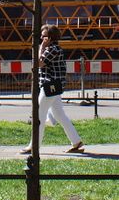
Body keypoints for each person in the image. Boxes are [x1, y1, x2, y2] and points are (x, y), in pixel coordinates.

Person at [22, 25, 85, 155]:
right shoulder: (55, 48)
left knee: (39, 116)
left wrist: (41, 48)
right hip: (54, 87)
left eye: (43, 36)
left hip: (48, 87)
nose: (41, 38)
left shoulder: (52, 49)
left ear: (49, 38)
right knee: (59, 115)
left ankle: (34, 146)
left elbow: (39, 62)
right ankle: (76, 142)